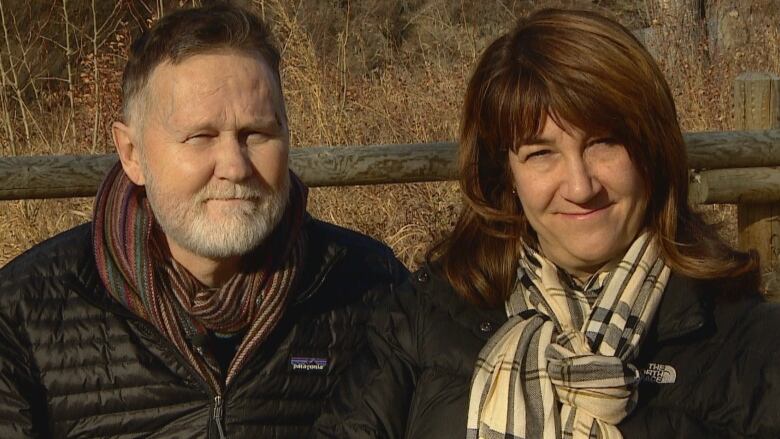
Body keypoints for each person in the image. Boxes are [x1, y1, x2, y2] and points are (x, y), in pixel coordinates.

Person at [314, 8, 780, 439]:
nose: (580, 186)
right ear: (506, 174)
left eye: (605, 143)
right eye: (541, 153)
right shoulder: (420, 319)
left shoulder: (748, 343)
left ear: (651, 153)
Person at [0, 3, 406, 438]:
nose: (234, 166)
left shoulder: (370, 290)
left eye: (256, 134)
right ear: (132, 154)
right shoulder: (26, 313)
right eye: (200, 136)